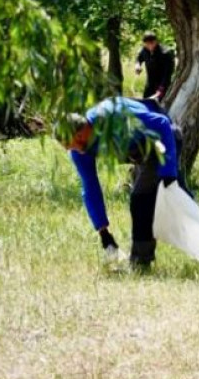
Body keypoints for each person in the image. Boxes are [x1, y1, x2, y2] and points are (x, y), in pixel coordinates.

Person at [56, 96, 186, 270]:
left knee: (144, 199)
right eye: (70, 147)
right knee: (166, 200)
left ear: (81, 131)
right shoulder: (80, 150)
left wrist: (168, 172)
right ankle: (143, 261)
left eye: (72, 143)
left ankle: (140, 262)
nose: (74, 148)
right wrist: (104, 234)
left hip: (163, 140)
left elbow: (161, 123)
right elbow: (90, 187)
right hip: (142, 152)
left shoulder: (113, 115)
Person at [135, 32, 175, 99]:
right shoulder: (144, 50)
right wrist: (137, 65)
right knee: (146, 102)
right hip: (150, 84)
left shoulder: (165, 53)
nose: (150, 46)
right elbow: (139, 58)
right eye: (147, 44)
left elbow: (168, 73)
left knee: (160, 105)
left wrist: (161, 88)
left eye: (152, 43)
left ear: (156, 41)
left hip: (162, 85)